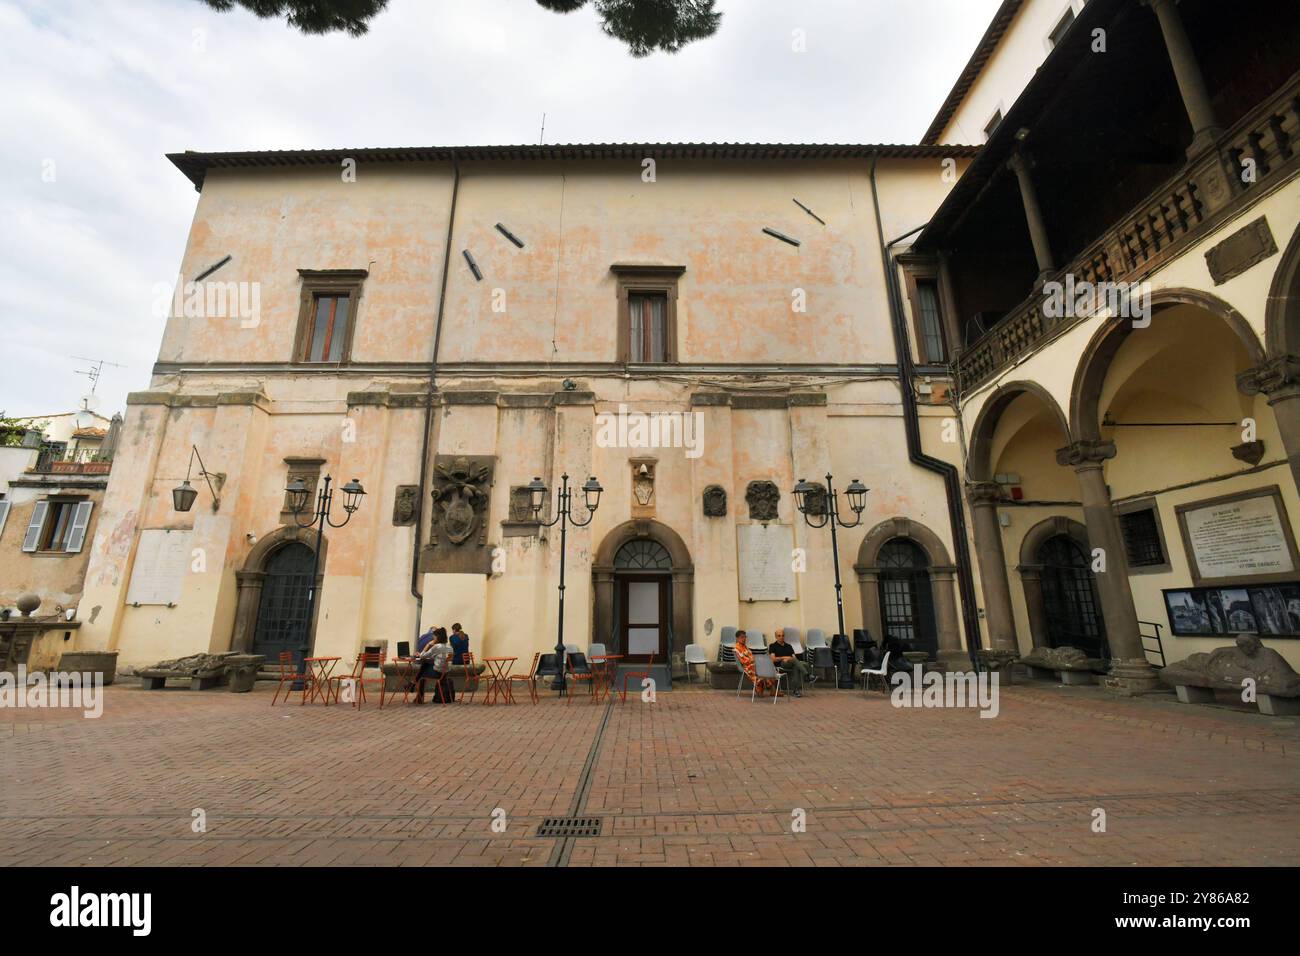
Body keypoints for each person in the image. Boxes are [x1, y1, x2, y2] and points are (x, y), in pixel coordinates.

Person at [413, 627, 454, 704]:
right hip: (445, 673)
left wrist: (428, 644)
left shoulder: (436, 647)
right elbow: (438, 656)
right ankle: (412, 686)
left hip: (437, 673)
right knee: (426, 665)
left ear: (438, 637)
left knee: (422, 674)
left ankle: (418, 695)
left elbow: (422, 655)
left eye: (434, 637)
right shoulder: (450, 647)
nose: (433, 638)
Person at [733, 630, 777, 697]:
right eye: (742, 637)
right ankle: (766, 688)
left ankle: (771, 689)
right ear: (737, 638)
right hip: (747, 667)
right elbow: (744, 661)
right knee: (762, 669)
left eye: (745, 637)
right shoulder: (736, 648)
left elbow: (751, 656)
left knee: (767, 666)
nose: (744, 639)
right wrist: (755, 661)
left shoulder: (745, 647)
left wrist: (757, 661)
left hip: (753, 664)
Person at [769, 627, 811, 697]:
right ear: (776, 637)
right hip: (781, 664)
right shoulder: (773, 646)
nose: (781, 637)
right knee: (798, 663)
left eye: (783, 635)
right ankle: (807, 675)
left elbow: (794, 658)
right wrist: (784, 658)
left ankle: (796, 690)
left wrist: (789, 659)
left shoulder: (789, 646)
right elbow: (773, 659)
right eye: (779, 636)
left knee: (798, 665)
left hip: (791, 663)